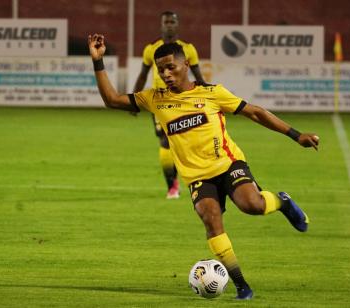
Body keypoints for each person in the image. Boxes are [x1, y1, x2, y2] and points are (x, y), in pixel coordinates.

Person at [88, 33, 319, 300]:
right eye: (160, 69)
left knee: (252, 205)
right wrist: (98, 61)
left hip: (228, 164)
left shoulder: (212, 93)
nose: (165, 74)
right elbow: (111, 100)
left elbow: (255, 112)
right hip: (198, 177)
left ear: (185, 64)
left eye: (170, 67)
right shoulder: (155, 98)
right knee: (211, 221)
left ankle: (282, 201)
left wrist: (296, 135)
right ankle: (242, 285)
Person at [133, 11, 206, 199]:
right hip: (161, 102)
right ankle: (172, 186)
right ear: (161, 25)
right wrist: (133, 100)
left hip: (184, 101)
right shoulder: (151, 49)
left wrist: (206, 96)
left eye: (172, 21)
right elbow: (142, 74)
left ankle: (198, 178)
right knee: (165, 141)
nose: (169, 25)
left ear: (177, 24)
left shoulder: (188, 49)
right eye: (166, 22)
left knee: (188, 143)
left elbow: (198, 77)